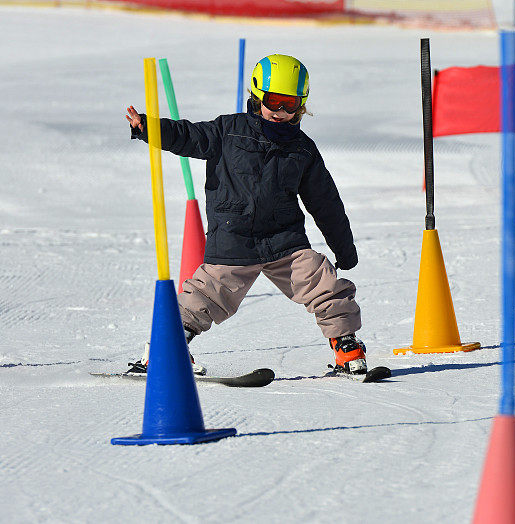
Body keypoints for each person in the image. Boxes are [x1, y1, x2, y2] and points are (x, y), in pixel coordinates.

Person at [125, 54, 368, 375]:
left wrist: (343, 248)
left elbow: (326, 202)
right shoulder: (229, 129)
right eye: (273, 101)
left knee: (322, 284)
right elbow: (189, 136)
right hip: (233, 238)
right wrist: (150, 128)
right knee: (205, 296)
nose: (281, 112)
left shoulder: (303, 149)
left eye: (290, 104)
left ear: (302, 105)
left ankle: (348, 350)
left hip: (284, 242)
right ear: (257, 95)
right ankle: (165, 351)